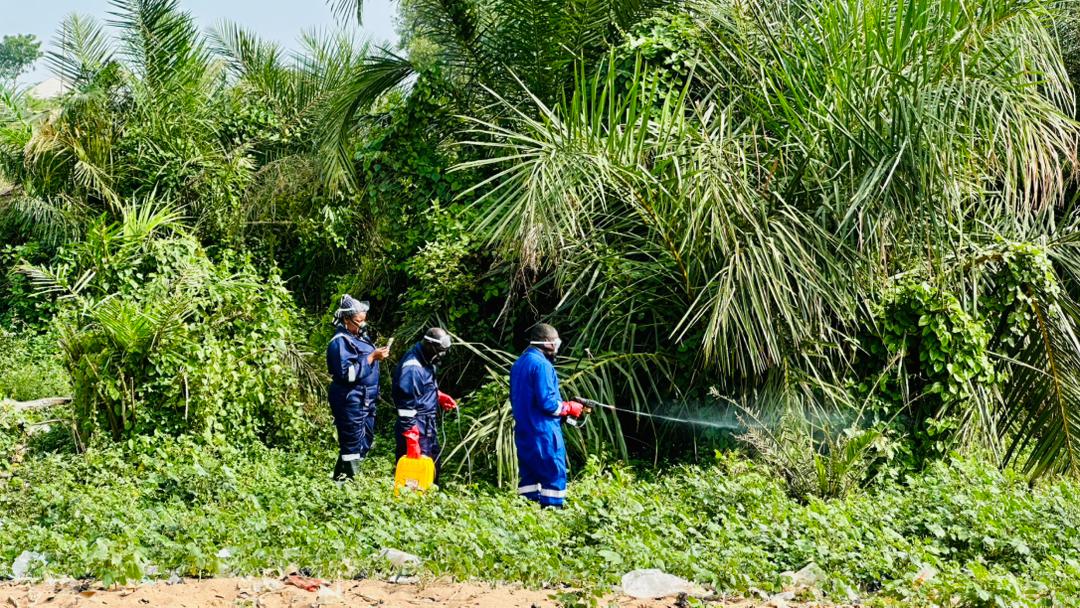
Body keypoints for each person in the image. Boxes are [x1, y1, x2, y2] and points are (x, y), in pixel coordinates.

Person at [509, 323, 584, 508]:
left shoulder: (519, 364)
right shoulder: (542, 365)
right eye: (555, 341)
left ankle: (528, 516)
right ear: (547, 342)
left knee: (529, 479)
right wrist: (569, 408)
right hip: (544, 433)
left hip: (524, 432)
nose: (557, 345)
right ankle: (553, 514)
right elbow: (548, 403)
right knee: (554, 474)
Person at [326, 295, 390, 480]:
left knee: (365, 440)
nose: (363, 325)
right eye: (359, 321)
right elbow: (347, 374)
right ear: (346, 319)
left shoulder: (359, 337)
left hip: (366, 399)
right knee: (351, 444)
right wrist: (371, 358)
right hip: (350, 399)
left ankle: (339, 482)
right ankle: (352, 486)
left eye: (364, 320)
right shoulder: (339, 342)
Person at [392, 327, 457, 481]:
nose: (441, 354)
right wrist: (411, 437)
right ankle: (412, 503)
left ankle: (429, 499)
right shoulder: (413, 367)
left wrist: (438, 396)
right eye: (440, 350)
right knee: (415, 473)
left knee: (432, 466)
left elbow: (421, 387)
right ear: (429, 344)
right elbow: (405, 405)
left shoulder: (426, 359)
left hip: (427, 424)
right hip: (416, 426)